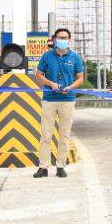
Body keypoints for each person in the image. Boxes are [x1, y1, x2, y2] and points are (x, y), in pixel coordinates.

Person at [33, 28, 84, 178]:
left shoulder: (74, 57)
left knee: (64, 135)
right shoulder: (46, 56)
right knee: (46, 135)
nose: (62, 40)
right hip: (49, 100)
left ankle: (61, 166)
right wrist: (51, 84)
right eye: (59, 37)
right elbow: (38, 75)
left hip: (67, 101)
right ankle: (43, 167)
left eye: (65, 38)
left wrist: (70, 87)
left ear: (69, 40)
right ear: (55, 39)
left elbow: (80, 78)